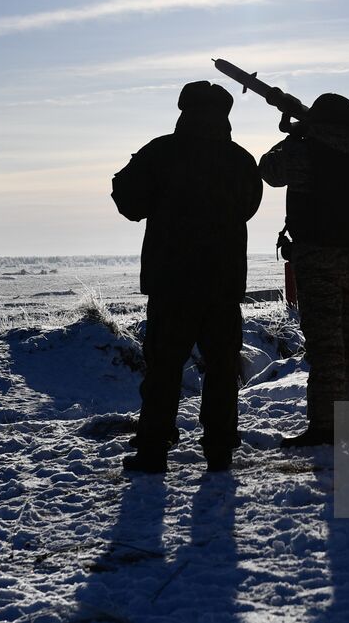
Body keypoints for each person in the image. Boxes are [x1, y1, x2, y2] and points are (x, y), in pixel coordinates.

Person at [111, 81, 262, 474]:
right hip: (224, 282)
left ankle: (153, 451)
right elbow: (249, 207)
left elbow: (128, 202)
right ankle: (219, 450)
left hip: (172, 282)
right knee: (223, 367)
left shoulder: (161, 152)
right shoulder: (241, 160)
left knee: (163, 368)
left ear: (183, 109)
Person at [260, 93, 349, 448]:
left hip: (318, 258)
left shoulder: (302, 150)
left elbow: (269, 170)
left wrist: (291, 137)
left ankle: (326, 428)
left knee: (327, 345)